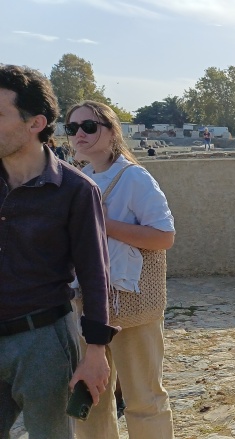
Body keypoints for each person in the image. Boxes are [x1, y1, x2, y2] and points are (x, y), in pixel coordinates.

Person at [0, 64, 115, 438]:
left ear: (35, 123)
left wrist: (96, 353)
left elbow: (95, 275)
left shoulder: (76, 191)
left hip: (43, 341)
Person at [66, 100, 175, 439]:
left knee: (143, 397)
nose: (79, 134)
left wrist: (102, 223)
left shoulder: (134, 177)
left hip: (132, 303)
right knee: (90, 398)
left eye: (89, 126)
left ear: (111, 131)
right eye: (72, 128)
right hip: (87, 304)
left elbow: (164, 236)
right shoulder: (80, 178)